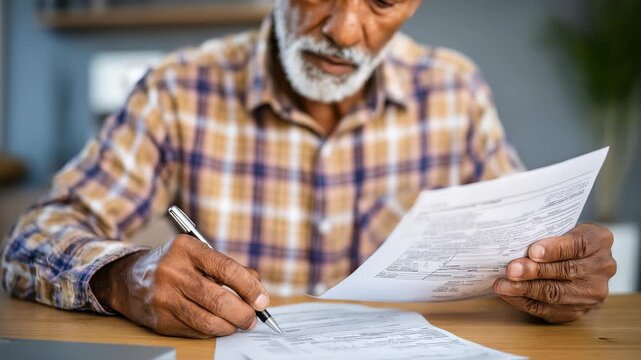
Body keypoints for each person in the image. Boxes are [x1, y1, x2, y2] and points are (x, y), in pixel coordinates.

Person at [1, 0, 616, 338]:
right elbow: (32, 240)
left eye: (382, 1)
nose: (346, 30)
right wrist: (123, 276)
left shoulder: (456, 91)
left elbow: (532, 250)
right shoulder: (177, 89)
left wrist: (555, 272)